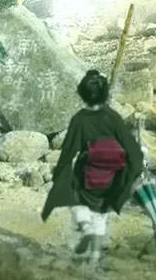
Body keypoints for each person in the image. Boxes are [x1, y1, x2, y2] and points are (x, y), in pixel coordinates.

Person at [41, 70, 143, 267]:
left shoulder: (79, 119)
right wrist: (128, 177)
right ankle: (95, 257)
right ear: (105, 93)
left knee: (75, 201)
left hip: (86, 178)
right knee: (101, 214)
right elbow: (133, 152)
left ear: (82, 93)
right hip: (111, 178)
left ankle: (85, 228)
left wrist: (59, 177)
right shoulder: (112, 117)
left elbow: (68, 153)